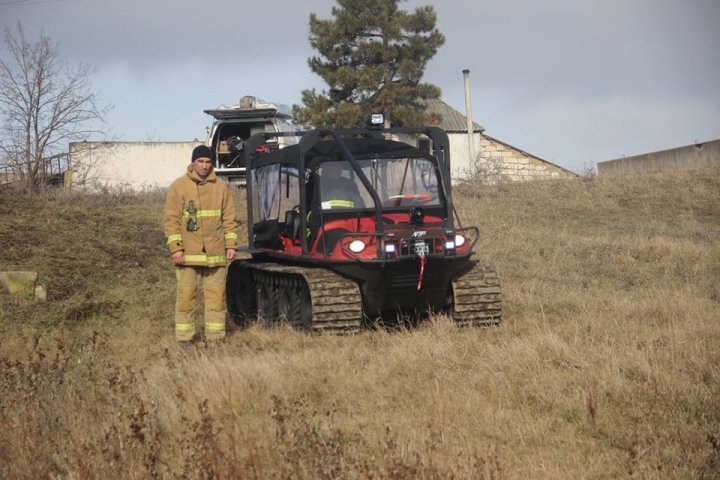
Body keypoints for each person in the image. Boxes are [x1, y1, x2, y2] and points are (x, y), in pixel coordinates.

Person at [164, 145, 238, 346]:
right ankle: (184, 339)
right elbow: (171, 220)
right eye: (200, 161)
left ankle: (215, 339)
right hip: (187, 255)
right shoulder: (179, 186)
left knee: (216, 299)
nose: (204, 166)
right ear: (193, 162)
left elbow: (229, 219)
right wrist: (176, 248)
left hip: (215, 255)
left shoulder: (221, 186)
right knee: (186, 298)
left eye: (208, 162)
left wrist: (231, 245)